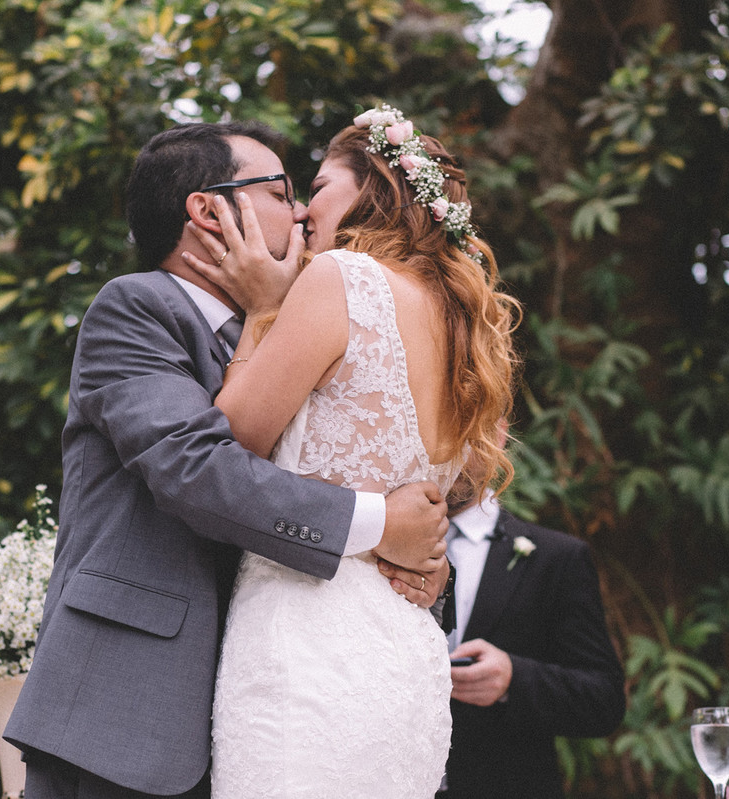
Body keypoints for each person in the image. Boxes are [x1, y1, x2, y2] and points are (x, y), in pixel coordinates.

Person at [3, 120, 454, 799]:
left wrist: (421, 556)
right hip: (126, 711)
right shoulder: (134, 309)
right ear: (209, 210)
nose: (302, 211)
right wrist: (378, 525)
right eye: (278, 191)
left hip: (264, 706)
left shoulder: (299, 334)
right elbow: (196, 467)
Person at [186, 105, 520, 797]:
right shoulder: (461, 326)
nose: (305, 209)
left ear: (375, 193)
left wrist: (260, 308)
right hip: (402, 651)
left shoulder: (342, 277)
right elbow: (429, 501)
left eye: (321, 186)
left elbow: (231, 438)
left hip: (307, 643)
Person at [439, 433, 626, 799]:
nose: (444, 447)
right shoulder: (369, 549)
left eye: (459, 426)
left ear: (496, 430)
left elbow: (604, 700)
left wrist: (514, 679)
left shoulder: (557, 559)